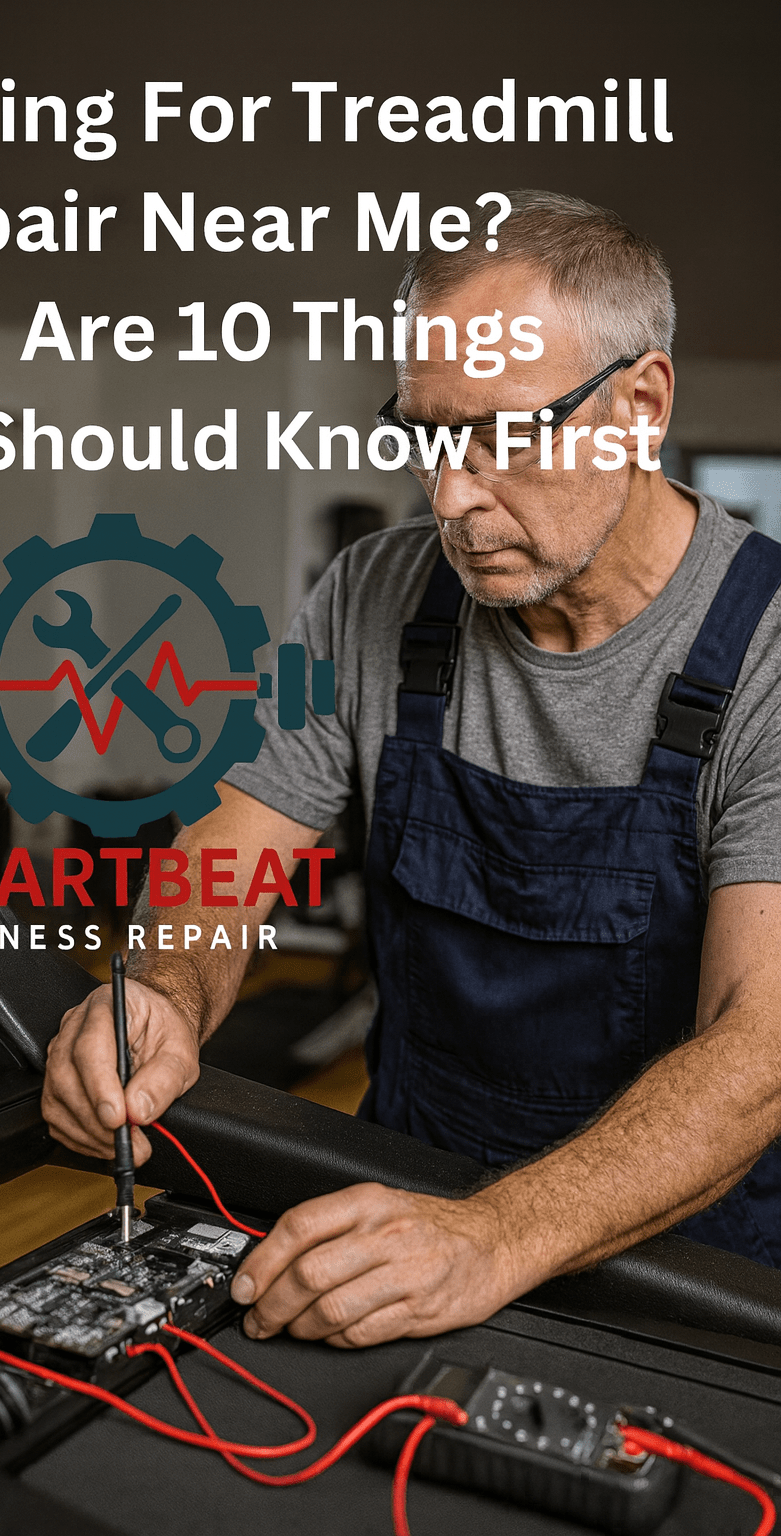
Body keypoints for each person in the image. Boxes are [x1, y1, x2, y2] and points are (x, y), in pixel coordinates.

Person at [42, 190, 781, 1351]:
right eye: (428, 433)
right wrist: (162, 995)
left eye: (506, 435)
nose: (451, 498)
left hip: (683, 1271)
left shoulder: (767, 651)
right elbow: (222, 858)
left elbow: (757, 1044)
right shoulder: (372, 595)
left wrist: (496, 1234)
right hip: (402, 1200)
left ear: (640, 405)